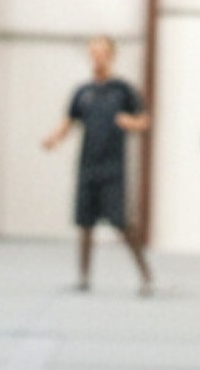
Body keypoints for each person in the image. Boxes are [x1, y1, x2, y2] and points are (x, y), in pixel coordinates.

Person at [41, 35, 153, 294]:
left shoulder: (123, 90)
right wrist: (54, 137)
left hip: (113, 168)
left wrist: (132, 123)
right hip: (87, 165)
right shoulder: (83, 92)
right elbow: (69, 121)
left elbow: (144, 120)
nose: (97, 56)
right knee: (85, 222)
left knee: (122, 222)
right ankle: (83, 277)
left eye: (102, 51)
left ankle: (145, 275)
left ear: (111, 55)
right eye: (93, 51)